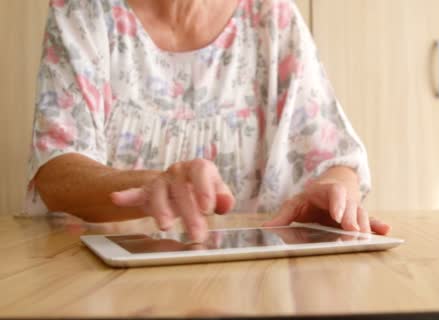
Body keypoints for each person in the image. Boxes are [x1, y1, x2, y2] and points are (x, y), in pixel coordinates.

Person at [24, 0, 390, 242]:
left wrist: (336, 193)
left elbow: (336, 160)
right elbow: (56, 172)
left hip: (249, 288)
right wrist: (153, 185)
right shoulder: (85, 12)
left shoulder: (271, 17)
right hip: (95, 285)